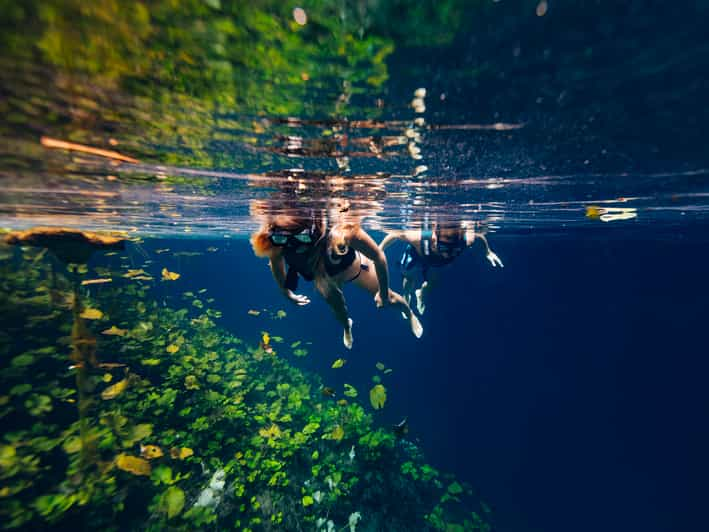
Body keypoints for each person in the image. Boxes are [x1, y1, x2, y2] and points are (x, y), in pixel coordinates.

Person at [251, 211, 422, 349]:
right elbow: (275, 261)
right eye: (285, 239)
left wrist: (383, 293)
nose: (295, 245)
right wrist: (285, 291)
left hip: (354, 269)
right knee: (338, 309)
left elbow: (378, 256)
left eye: (302, 238)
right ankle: (347, 327)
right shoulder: (278, 238)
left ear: (314, 228)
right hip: (324, 277)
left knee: (390, 298)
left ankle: (410, 313)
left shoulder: (343, 231)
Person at [379, 221, 504, 315]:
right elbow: (395, 234)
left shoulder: (466, 241)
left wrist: (487, 251)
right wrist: (378, 251)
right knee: (409, 278)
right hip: (416, 254)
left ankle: (420, 293)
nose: (447, 254)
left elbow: (479, 236)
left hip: (436, 263)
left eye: (453, 249)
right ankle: (406, 296)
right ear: (434, 238)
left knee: (432, 282)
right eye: (444, 248)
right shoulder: (418, 237)